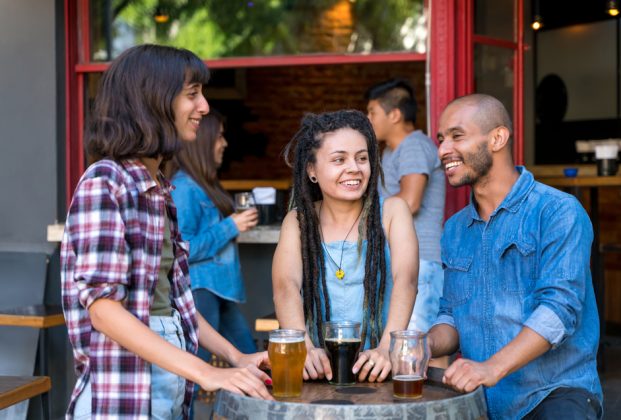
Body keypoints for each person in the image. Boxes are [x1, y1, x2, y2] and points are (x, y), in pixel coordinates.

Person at [60, 44, 272, 419]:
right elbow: (104, 310)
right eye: (193, 95)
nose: (204, 107)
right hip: (123, 395)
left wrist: (236, 357)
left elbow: (177, 303)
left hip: (169, 382)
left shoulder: (158, 188)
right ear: (152, 102)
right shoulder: (105, 181)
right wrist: (205, 371)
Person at [429, 93, 602, 419]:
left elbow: (558, 312)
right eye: (441, 139)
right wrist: (424, 344)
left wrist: (490, 368)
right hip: (485, 401)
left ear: (497, 138)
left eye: (457, 136)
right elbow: (451, 315)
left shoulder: (557, 211)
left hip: (554, 393)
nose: (442, 150)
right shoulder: (454, 229)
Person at [272, 110, 418, 383]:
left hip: (378, 367)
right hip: (317, 369)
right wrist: (303, 346)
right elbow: (285, 287)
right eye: (339, 159)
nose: (354, 167)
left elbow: (405, 280)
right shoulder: (298, 221)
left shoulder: (393, 212)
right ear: (312, 170)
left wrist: (387, 348)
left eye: (362, 158)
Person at [171, 109, 258, 355]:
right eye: (220, 136)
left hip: (217, 290)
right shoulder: (185, 187)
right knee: (198, 371)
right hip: (201, 290)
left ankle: (261, 395)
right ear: (204, 141)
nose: (225, 143)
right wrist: (231, 226)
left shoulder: (202, 184)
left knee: (249, 357)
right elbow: (184, 249)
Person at [365, 78, 445, 333]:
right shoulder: (390, 150)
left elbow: (410, 202)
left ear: (395, 115)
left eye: (372, 112)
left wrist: (359, 216)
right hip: (403, 259)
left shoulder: (414, 145)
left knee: (417, 344)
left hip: (421, 260)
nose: (368, 119)